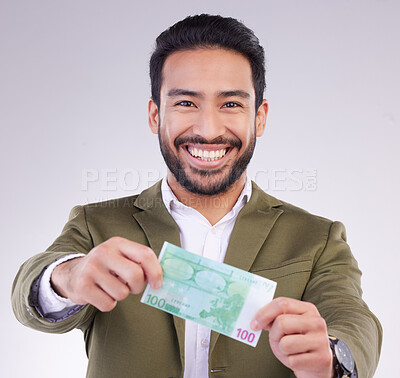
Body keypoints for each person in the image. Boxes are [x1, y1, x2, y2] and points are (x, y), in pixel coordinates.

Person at [12, 14, 382, 378]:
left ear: (260, 118)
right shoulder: (97, 225)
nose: (208, 130)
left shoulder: (317, 238)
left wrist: (334, 356)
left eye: (231, 104)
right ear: (156, 115)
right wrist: (69, 277)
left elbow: (353, 318)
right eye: (186, 103)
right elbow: (28, 288)